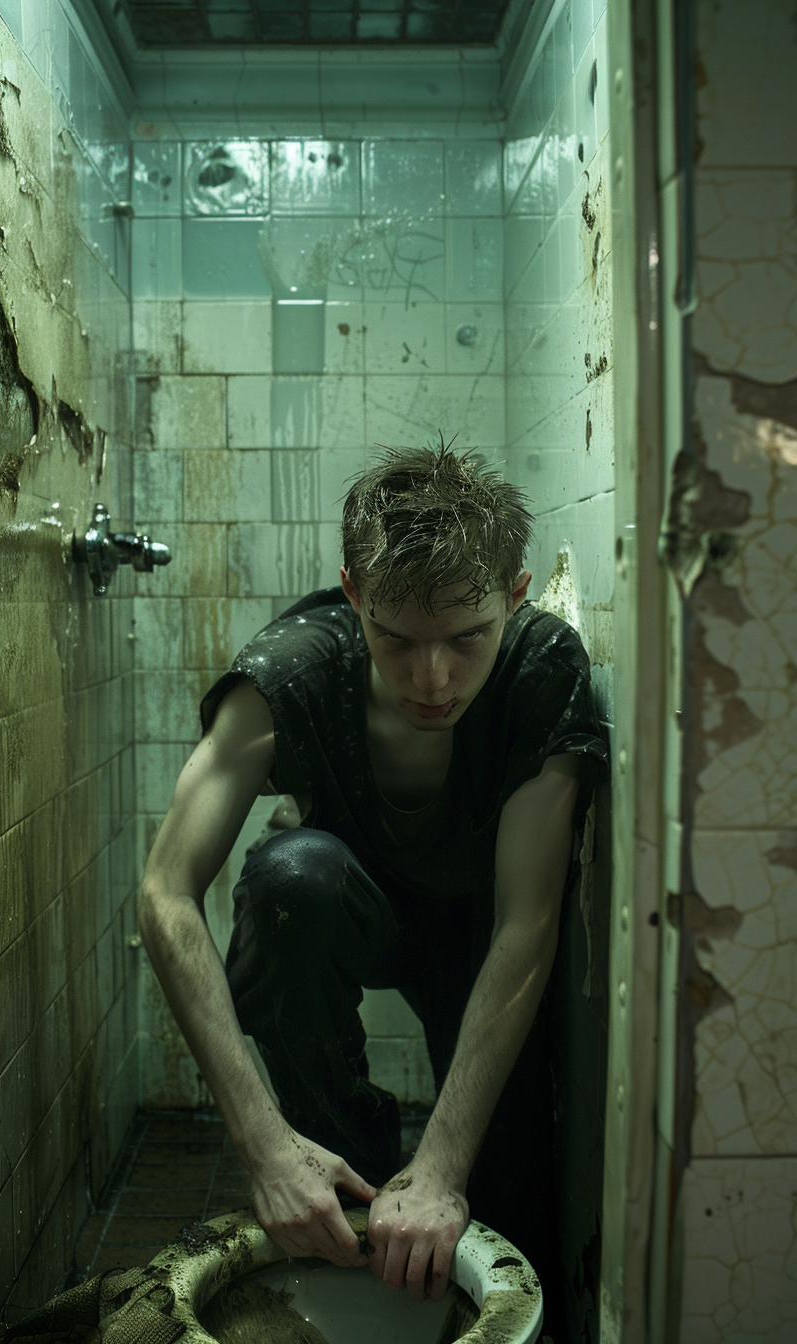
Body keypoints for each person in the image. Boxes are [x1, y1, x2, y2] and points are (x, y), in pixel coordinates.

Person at [138, 441, 607, 1331]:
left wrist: (442, 1169)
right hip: (352, 909)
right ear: (354, 597)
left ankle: (424, 1197)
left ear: (514, 597)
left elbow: (527, 922)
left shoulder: (544, 669)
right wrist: (265, 1142)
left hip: (482, 933)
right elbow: (165, 893)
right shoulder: (292, 672)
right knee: (291, 877)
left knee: (506, 1207)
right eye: (398, 640)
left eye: (468, 639)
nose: (434, 679)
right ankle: (342, 1189)